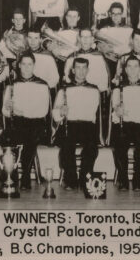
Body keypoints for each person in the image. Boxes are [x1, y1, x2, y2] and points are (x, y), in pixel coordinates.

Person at [1, 53, 52, 190]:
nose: (26, 67)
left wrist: (21, 112)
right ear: (19, 65)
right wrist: (9, 108)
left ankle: (26, 177)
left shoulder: (42, 85)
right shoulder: (12, 85)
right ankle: (11, 175)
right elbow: (5, 112)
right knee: (8, 140)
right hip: (18, 123)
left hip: (36, 123)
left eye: (30, 64)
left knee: (30, 139)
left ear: (34, 66)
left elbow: (43, 111)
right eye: (23, 64)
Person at [109, 56, 140, 191]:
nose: (132, 70)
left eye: (135, 66)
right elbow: (114, 115)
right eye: (129, 66)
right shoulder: (118, 89)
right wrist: (117, 113)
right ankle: (123, 179)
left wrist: (133, 113)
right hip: (123, 125)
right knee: (118, 142)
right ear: (125, 69)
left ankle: (137, 179)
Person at [52, 57, 101, 190]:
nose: (81, 71)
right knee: (67, 146)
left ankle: (86, 179)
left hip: (88, 126)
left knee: (91, 148)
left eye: (84, 68)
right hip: (70, 125)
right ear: (73, 70)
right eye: (78, 68)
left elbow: (96, 116)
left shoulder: (94, 90)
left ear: (88, 70)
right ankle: (71, 180)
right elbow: (55, 115)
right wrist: (61, 112)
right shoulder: (64, 90)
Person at [96, 2, 133, 76]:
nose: (116, 16)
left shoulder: (128, 30)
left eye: (118, 14)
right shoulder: (104, 30)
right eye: (113, 13)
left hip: (124, 62)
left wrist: (114, 50)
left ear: (122, 14)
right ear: (110, 14)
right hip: (109, 62)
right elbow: (100, 47)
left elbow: (130, 47)